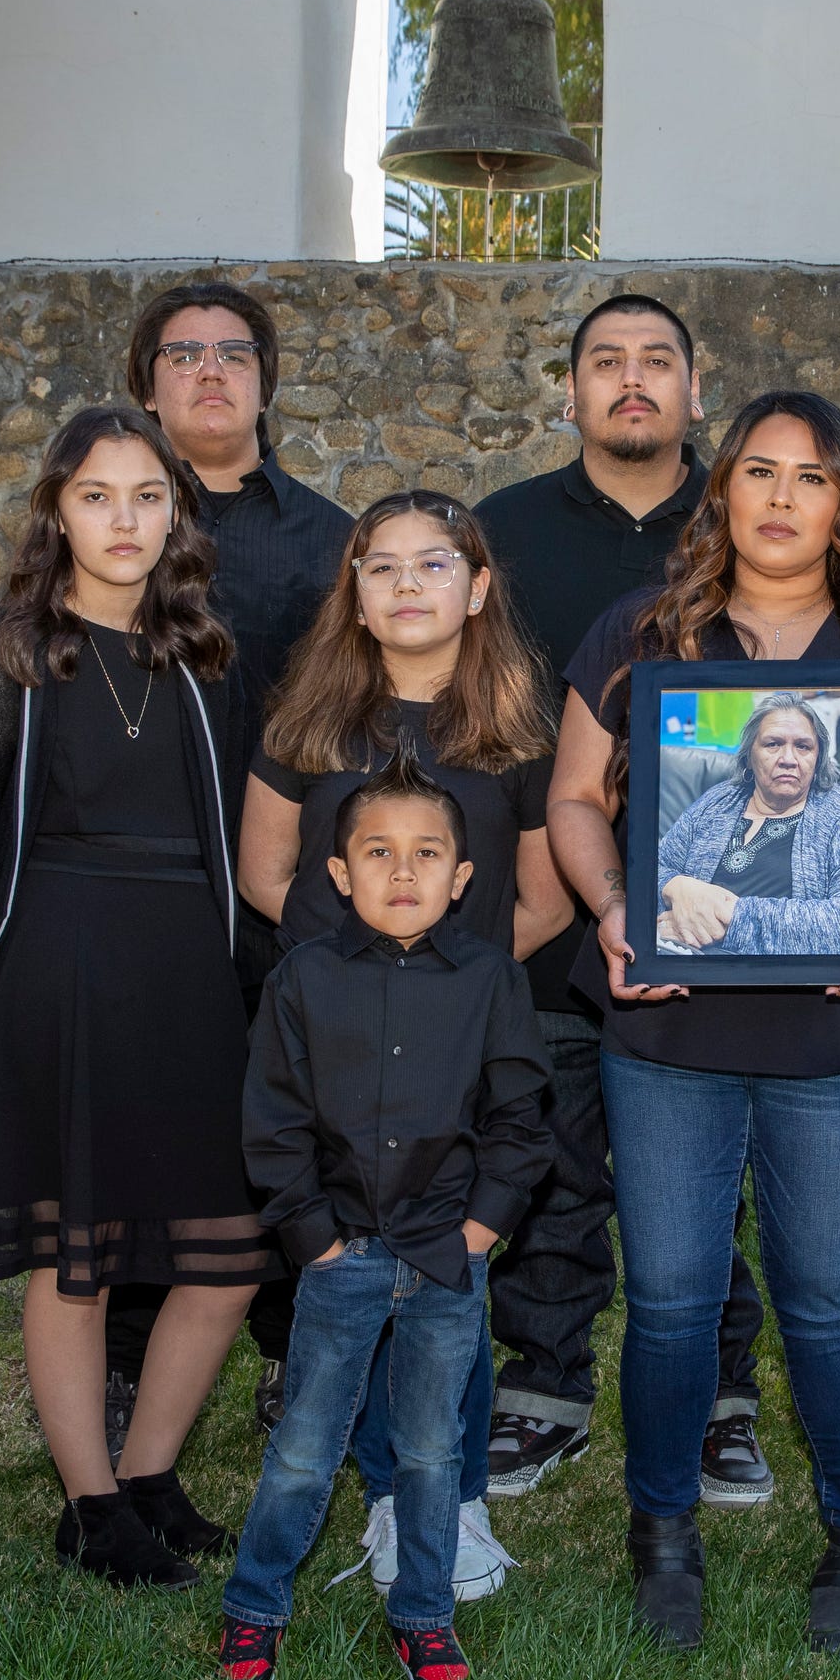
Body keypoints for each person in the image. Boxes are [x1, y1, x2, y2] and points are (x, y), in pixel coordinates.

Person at [547, 389, 840, 1656]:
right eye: (759, 471)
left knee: (827, 1301)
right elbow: (577, 798)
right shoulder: (642, 633)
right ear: (722, 489)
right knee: (673, 1299)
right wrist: (616, 909)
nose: (783, 497)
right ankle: (663, 1534)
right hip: (670, 1031)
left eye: (811, 476)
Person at [0, 403, 277, 1591]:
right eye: (95, 495)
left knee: (226, 1248)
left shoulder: (204, 654)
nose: (122, 520)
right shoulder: (19, 649)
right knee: (74, 1248)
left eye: (146, 496)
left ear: (176, 511)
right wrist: (4, 958)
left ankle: (148, 1470)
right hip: (57, 961)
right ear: (56, 510)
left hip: (187, 966)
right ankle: (86, 1502)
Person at [472, 293, 775, 1509]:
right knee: (547, 1157)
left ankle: (719, 1402)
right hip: (551, 902)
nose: (632, 381)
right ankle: (543, 1389)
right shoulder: (502, 533)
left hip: (729, 923)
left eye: (658, 362)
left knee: (713, 1168)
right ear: (573, 393)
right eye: (608, 362)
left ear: (698, 390)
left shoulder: (754, 521)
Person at [242, 491, 564, 1602]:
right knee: (350, 1278)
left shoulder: (518, 731)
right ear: (358, 594)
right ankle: (383, 1500)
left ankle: (453, 1498)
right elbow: (264, 871)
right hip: (335, 1055)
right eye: (384, 566)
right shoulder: (311, 721)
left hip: (459, 1056)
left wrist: (454, 990)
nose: (410, 584)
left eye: (436, 564)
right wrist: (344, 984)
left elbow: (544, 895)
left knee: (449, 1275)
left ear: (477, 589)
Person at [218, 756, 555, 1680]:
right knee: (303, 1446)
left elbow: (522, 1119)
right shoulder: (303, 980)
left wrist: (481, 1235)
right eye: (378, 853)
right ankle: (254, 1604)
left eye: (426, 855)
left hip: (449, 1259)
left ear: (461, 878)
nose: (402, 874)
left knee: (432, 1450)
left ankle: (423, 1616)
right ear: (339, 874)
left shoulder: (491, 980)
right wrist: (316, 1242)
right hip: (342, 1259)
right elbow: (272, 1123)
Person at [117, 279, 351, 1437]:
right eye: (182, 353)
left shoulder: (328, 539)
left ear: (264, 377)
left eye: (232, 352)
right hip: (137, 883)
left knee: (290, 1119)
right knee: (142, 1123)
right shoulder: (106, 526)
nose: (209, 371)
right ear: (147, 383)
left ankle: (284, 1345)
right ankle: (125, 1353)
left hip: (283, 888)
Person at [653, 694, 840, 955]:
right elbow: (653, 871)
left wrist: (726, 918)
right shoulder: (718, 801)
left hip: (778, 982)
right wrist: (675, 886)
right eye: (773, 744)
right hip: (680, 962)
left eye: (803, 747)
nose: (788, 758)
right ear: (749, 755)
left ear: (818, 758)